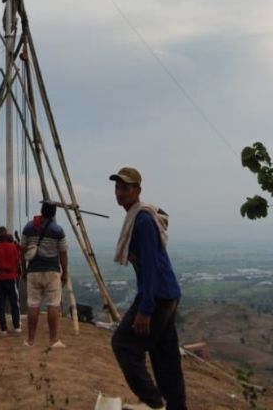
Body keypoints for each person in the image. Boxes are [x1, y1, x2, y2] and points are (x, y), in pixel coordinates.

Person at [109, 167, 185, 410]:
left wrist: (146, 308)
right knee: (165, 358)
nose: (120, 192)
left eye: (125, 187)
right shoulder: (138, 217)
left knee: (124, 344)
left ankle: (153, 404)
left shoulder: (141, 220)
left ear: (137, 190)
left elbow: (151, 266)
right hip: (168, 294)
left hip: (158, 296)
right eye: (118, 187)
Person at [21, 201, 68, 349]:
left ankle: (30, 340)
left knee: (33, 304)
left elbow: (22, 250)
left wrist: (23, 269)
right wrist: (65, 272)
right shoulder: (58, 230)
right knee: (53, 304)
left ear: (41, 210)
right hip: (51, 271)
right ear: (54, 213)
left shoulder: (29, 227)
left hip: (33, 270)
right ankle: (53, 340)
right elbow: (62, 253)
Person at [0, 225, 22, 333]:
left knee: (1, 303)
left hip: (0, 277)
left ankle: (3, 328)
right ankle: (17, 326)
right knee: (14, 302)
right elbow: (17, 260)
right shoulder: (12, 247)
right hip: (11, 277)